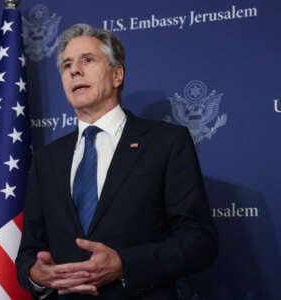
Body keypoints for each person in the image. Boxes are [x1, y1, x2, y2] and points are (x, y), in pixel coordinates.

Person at [16, 23, 218, 299]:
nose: (74, 70)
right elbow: (29, 251)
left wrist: (125, 265)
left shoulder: (166, 143)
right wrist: (36, 275)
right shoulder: (46, 160)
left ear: (117, 75)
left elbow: (199, 241)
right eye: (66, 65)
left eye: (87, 60)